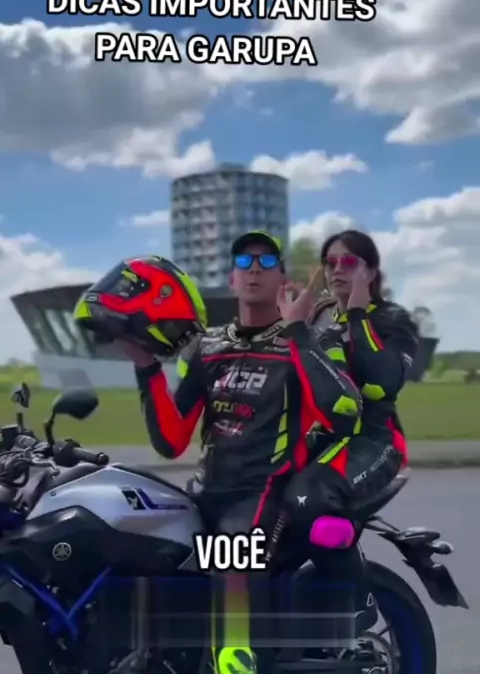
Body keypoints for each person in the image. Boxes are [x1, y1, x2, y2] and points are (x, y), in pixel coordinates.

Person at [114, 233, 363, 674]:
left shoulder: (305, 341)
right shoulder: (207, 347)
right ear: (231, 278)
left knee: (232, 554)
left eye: (267, 261)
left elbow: (344, 412)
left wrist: (298, 334)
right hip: (205, 492)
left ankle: (241, 661)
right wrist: (146, 367)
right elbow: (171, 441)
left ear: (282, 277)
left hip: (265, 495)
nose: (254, 269)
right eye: (244, 261)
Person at [282, 228, 419, 635]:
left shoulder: (392, 319)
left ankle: (358, 599)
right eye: (330, 262)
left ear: (371, 272)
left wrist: (358, 316)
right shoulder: (321, 318)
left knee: (307, 500)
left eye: (348, 262)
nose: (337, 269)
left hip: (373, 441)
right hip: (321, 440)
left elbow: (383, 382)